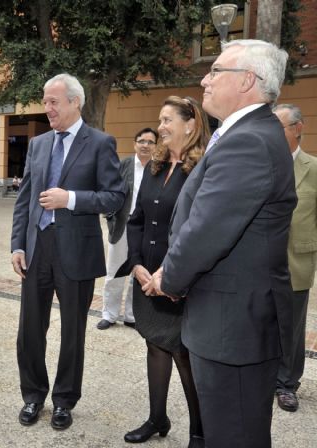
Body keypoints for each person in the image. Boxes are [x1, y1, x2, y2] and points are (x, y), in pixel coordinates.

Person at [147, 40, 296, 447]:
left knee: (235, 435)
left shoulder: (248, 140)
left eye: (215, 71)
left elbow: (207, 229)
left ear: (247, 80)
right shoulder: (246, 133)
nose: (204, 79)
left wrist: (169, 278)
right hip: (228, 319)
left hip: (235, 327)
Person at [11, 73, 125, 430]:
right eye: (45, 101)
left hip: (76, 251)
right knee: (30, 329)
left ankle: (64, 401)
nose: (47, 108)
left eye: (53, 102)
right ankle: (33, 396)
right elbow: (25, 198)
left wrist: (70, 199)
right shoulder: (38, 144)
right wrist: (17, 243)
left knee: (72, 332)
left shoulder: (100, 143)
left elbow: (114, 197)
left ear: (75, 102)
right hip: (37, 248)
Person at [123, 97, 208, 447]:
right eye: (159, 120)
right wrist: (138, 266)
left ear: (190, 125)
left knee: (184, 356)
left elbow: (198, 231)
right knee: (155, 347)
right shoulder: (154, 167)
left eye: (167, 119)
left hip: (178, 283)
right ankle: (158, 418)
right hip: (146, 280)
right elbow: (136, 221)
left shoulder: (202, 170)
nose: (160, 127)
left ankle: (200, 431)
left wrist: (166, 275)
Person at [272, 104, 317, 413]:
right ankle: (261, 374)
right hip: (258, 259)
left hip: (296, 261)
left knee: (291, 327)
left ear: (298, 129)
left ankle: (287, 383)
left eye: (281, 127)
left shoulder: (313, 168)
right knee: (258, 321)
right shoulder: (260, 164)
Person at [97, 127, 156, 331]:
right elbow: (108, 190)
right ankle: (109, 314)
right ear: (135, 144)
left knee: (138, 274)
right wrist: (111, 217)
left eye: (150, 142)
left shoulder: (159, 167)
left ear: (156, 146)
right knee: (114, 272)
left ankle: (132, 316)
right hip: (122, 226)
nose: (145, 145)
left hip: (145, 229)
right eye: (142, 141)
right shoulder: (124, 165)